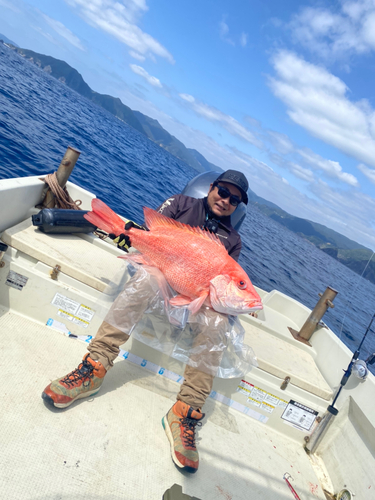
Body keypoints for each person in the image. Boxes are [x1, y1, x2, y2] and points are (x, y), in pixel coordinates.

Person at [42, 169, 249, 474]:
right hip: (159, 269)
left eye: (235, 199)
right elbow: (151, 234)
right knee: (144, 283)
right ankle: (94, 367)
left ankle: (185, 410)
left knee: (218, 325)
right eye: (223, 191)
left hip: (194, 293)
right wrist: (129, 234)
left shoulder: (233, 240)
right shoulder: (179, 203)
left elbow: (220, 280)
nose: (226, 200)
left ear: (238, 206)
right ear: (212, 187)